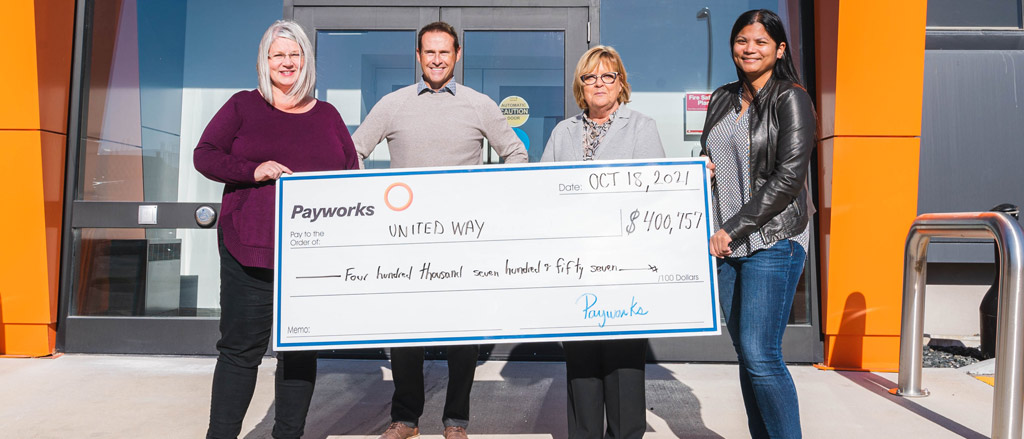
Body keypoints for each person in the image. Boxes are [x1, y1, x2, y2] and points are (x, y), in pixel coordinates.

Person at [352, 21, 528, 439]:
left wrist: (491, 197)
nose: (436, 60)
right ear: (418, 56)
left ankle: (456, 421)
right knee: (405, 332)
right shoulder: (393, 104)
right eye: (429, 52)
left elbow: (516, 153)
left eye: (444, 52)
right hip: (404, 240)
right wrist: (373, 201)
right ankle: (406, 419)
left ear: (457, 55)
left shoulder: (478, 104)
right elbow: (352, 151)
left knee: (461, 335)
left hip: (462, 241)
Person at [194, 20, 359, 439]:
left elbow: (350, 175)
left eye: (294, 54)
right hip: (249, 251)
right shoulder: (243, 106)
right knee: (240, 352)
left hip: (309, 258)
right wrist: (253, 169)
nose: (286, 62)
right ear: (264, 63)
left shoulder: (328, 115)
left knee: (299, 352)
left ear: (306, 61)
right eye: (277, 55)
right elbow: (205, 155)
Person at [699, 9, 816, 439]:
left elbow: (789, 177)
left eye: (761, 42)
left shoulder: (791, 98)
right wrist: (702, 169)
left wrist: (734, 227)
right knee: (747, 355)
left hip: (773, 239)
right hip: (728, 245)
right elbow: (713, 159)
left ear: (779, 49)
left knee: (761, 353)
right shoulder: (722, 97)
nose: (750, 49)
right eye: (742, 41)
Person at [541, 45, 664, 439]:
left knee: (624, 360)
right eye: (590, 77)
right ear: (581, 85)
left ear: (620, 83)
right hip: (575, 265)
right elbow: (542, 192)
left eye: (607, 76)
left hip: (624, 263)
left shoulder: (641, 127)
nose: (598, 84)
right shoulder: (564, 132)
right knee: (581, 362)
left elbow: (657, 191)